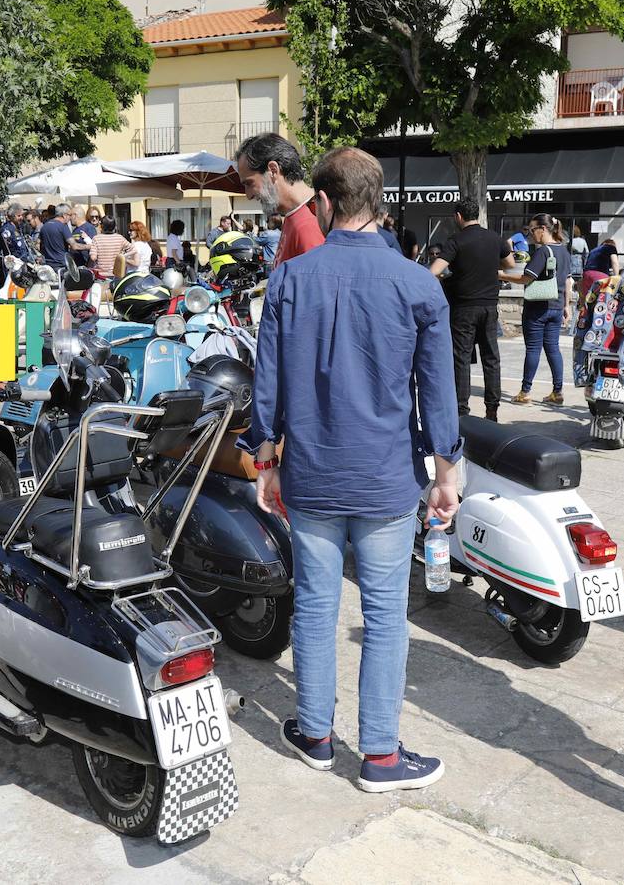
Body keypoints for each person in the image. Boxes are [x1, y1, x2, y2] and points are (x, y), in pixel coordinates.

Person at [239, 146, 460, 793]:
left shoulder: (289, 280)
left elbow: (268, 384)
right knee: (387, 614)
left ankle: (313, 734)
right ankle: (382, 757)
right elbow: (437, 391)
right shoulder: (418, 285)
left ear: (327, 203)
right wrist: (447, 472)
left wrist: (264, 457)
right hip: (387, 478)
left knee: (313, 604)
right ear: (380, 204)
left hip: (311, 474)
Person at [428, 197, 515, 422]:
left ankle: (461, 409)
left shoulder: (455, 241)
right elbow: (511, 264)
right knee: (491, 357)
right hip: (489, 306)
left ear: (458, 216)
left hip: (464, 308)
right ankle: (492, 409)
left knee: (461, 358)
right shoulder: (495, 238)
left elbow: (434, 271)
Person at [502, 213, 570, 406]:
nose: (530, 234)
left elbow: (526, 278)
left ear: (543, 229)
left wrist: (501, 275)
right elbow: (568, 281)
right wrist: (567, 306)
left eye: (532, 230)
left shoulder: (542, 251)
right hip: (556, 307)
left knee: (532, 349)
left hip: (537, 307)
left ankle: (525, 392)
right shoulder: (564, 251)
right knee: (553, 349)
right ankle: (557, 393)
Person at [234, 132, 324, 265]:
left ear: (273, 170)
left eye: (249, 183)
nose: (248, 195)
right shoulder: (294, 216)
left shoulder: (311, 222)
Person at [90, 216, 131, 280]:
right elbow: (132, 249)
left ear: (102, 226)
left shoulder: (96, 238)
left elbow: (93, 257)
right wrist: (123, 256)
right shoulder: (120, 238)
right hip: (116, 274)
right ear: (114, 226)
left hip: (100, 275)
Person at [39, 204, 72, 271]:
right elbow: (74, 245)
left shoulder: (44, 226)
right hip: (61, 265)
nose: (70, 218)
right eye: (69, 215)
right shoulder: (63, 226)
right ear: (64, 215)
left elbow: (38, 244)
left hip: (48, 265)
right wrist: (90, 246)